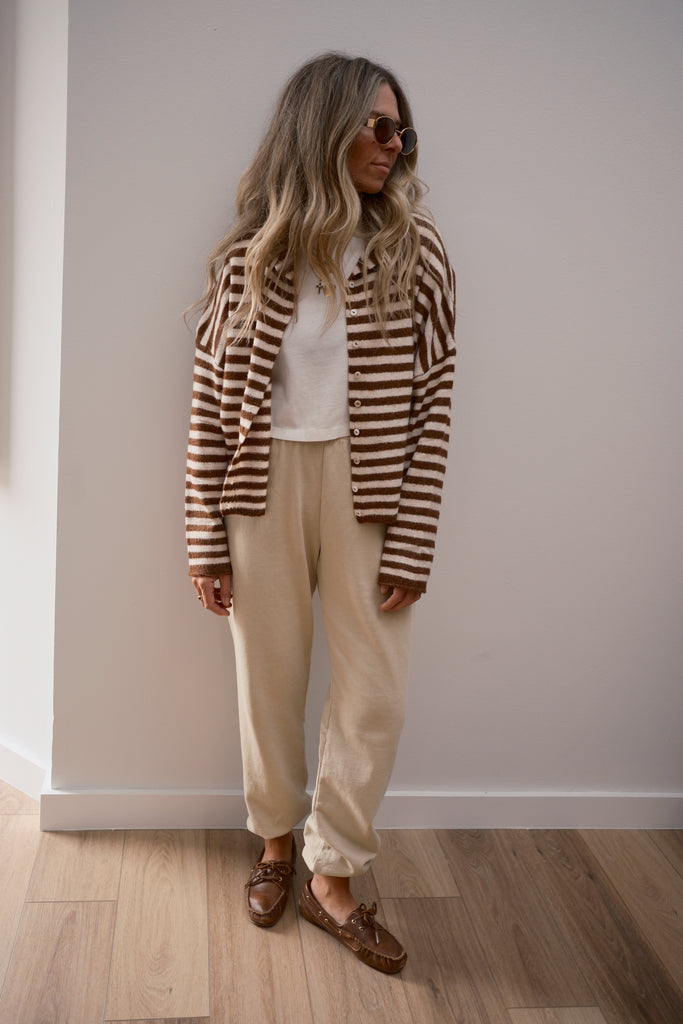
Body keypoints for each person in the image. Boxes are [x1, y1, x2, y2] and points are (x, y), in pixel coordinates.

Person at [185, 52, 455, 974]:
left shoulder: (414, 251)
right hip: (258, 487)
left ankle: (329, 872)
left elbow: (434, 401)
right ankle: (273, 843)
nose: (393, 146)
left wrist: (413, 538)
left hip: (367, 490)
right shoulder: (248, 257)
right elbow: (208, 401)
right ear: (322, 126)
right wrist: (203, 536)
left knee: (375, 692)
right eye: (377, 127)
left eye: (401, 131)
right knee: (267, 679)